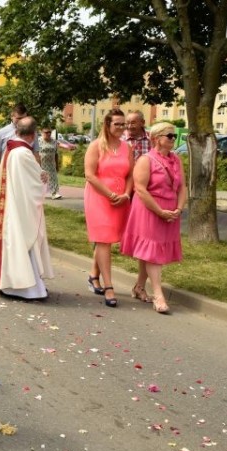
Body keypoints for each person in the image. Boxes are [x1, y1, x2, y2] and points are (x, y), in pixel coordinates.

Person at [120, 122, 188, 314]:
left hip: (170, 211)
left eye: (175, 136)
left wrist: (179, 208)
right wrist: (159, 211)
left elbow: (182, 187)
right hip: (149, 210)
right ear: (157, 138)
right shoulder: (146, 160)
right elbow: (140, 189)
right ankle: (158, 295)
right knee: (153, 253)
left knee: (149, 251)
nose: (174, 139)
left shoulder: (176, 160)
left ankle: (139, 287)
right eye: (170, 136)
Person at [0, 116, 54, 301]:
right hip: (21, 210)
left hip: (11, 206)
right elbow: (36, 183)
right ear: (33, 135)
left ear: (16, 131)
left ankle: (10, 286)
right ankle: (29, 289)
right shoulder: (24, 153)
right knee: (25, 242)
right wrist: (44, 177)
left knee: (13, 243)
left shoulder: (10, 149)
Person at [83, 109, 134, 307]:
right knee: (104, 239)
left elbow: (130, 174)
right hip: (99, 197)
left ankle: (93, 275)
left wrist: (126, 195)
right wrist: (110, 194)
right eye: (117, 124)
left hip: (121, 198)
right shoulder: (96, 146)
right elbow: (90, 175)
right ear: (107, 124)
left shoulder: (127, 147)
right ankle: (109, 287)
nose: (122, 127)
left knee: (107, 240)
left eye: (124, 124)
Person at [0, 104, 27, 172]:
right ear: (12, 117)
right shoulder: (2, 132)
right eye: (19, 118)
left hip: (25, 172)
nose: (21, 121)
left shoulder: (31, 133)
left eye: (24, 118)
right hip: (6, 172)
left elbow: (36, 154)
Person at [37, 128, 63, 199]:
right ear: (42, 133)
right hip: (41, 163)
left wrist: (57, 165)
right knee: (40, 178)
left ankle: (54, 193)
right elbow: (35, 152)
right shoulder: (38, 141)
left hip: (51, 164)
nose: (48, 134)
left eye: (49, 132)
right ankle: (38, 193)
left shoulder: (54, 141)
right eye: (46, 132)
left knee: (53, 178)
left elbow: (56, 154)